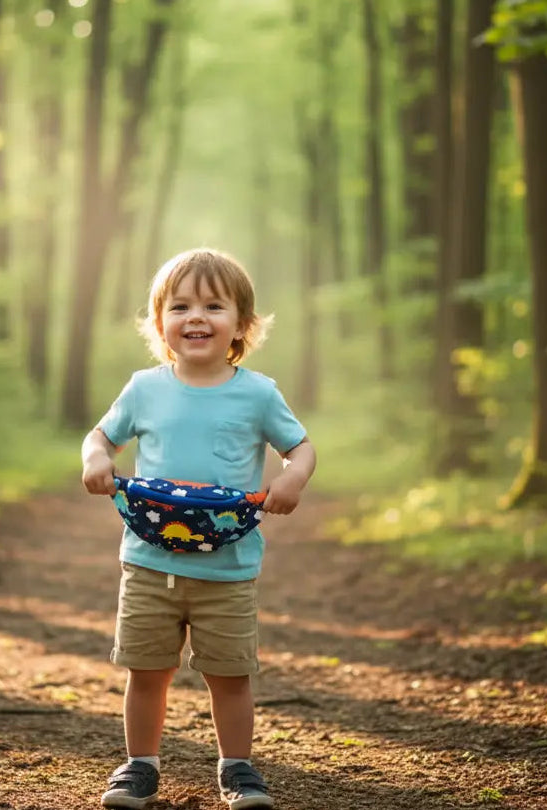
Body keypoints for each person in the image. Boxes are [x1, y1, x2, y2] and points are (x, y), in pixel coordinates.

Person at [81, 248, 316, 810]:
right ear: (160, 322)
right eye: (180, 305)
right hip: (148, 561)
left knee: (230, 675)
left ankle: (237, 768)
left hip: (228, 567)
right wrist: (96, 460)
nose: (196, 317)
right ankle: (140, 766)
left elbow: (301, 447)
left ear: (242, 324)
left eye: (214, 305)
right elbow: (101, 437)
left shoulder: (257, 393)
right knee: (147, 671)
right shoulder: (144, 388)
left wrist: (293, 479)